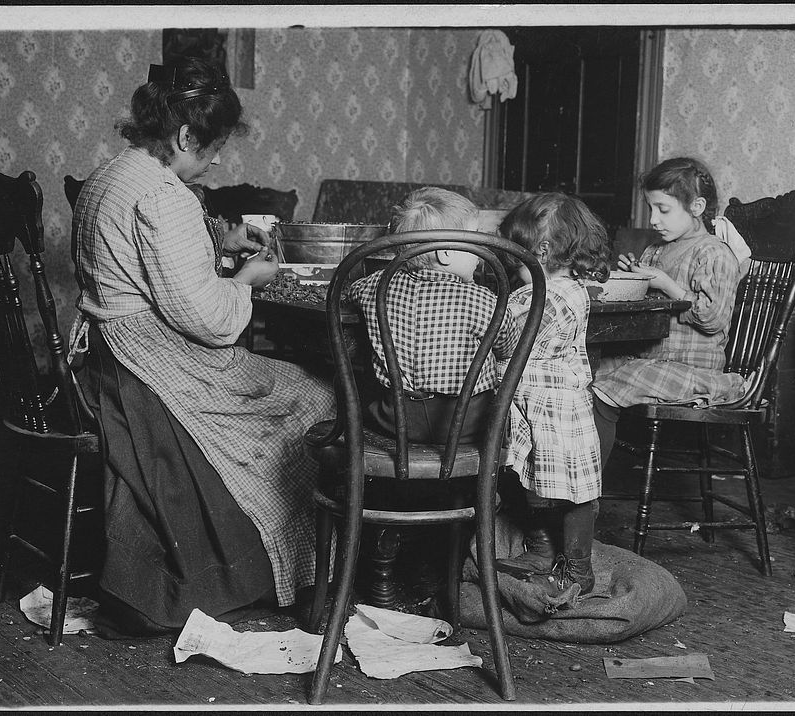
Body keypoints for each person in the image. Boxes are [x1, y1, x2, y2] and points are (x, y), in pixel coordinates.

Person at [70, 58, 335, 635]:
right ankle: (288, 568)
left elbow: (148, 264)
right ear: (185, 135)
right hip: (146, 371)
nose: (215, 161)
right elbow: (211, 322)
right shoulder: (164, 196)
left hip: (105, 359)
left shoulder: (109, 177)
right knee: (315, 396)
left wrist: (220, 240)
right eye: (210, 148)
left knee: (290, 383)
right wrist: (247, 281)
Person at [590, 157, 748, 467]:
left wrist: (666, 283)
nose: (653, 220)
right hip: (652, 358)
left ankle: (590, 484)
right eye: (651, 209)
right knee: (585, 374)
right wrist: (637, 279)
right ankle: (572, 480)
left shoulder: (713, 252)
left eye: (663, 210)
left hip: (692, 368)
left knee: (602, 392)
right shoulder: (657, 249)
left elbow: (713, 319)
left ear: (697, 207)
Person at [495, 193, 612, 596]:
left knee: (573, 492)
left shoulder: (545, 296)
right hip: (539, 403)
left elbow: (504, 340)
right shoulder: (571, 287)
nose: (515, 268)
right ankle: (543, 551)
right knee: (536, 482)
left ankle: (578, 568)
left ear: (541, 251)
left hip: (556, 408)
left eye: (518, 257)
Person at [344, 187, 521, 444]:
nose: (481, 256)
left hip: (395, 421)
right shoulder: (483, 301)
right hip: (464, 425)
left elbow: (353, 291)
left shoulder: (375, 286)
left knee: (364, 383)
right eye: (475, 242)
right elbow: (510, 346)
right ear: (446, 253)